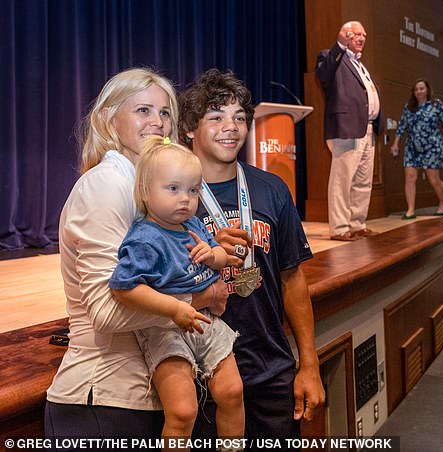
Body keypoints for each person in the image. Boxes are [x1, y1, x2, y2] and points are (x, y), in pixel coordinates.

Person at [45, 68, 229, 442]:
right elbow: (106, 311)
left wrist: (213, 258)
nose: (157, 123)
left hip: (141, 397)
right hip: (102, 400)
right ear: (108, 119)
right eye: (143, 111)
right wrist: (200, 297)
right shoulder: (106, 185)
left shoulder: (150, 191)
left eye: (165, 113)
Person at [178, 69, 325, 447]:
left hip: (270, 371)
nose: (231, 127)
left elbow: (293, 279)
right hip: (202, 377)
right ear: (190, 128)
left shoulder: (272, 189)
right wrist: (208, 246)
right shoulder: (171, 197)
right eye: (216, 117)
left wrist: (308, 364)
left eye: (239, 117)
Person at [109, 136, 244, 445]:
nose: (185, 199)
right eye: (173, 189)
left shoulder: (193, 225)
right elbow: (124, 289)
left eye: (193, 190)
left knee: (233, 391)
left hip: (204, 321)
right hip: (164, 328)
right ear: (145, 191)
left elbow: (221, 257)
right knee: (183, 411)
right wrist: (173, 308)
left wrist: (214, 257)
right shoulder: (144, 238)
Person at [316, 20, 381, 241]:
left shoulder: (361, 65)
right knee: (342, 180)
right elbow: (324, 75)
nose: (362, 38)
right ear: (345, 36)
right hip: (345, 128)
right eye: (356, 34)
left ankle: (357, 223)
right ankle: (340, 227)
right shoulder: (331, 57)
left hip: (367, 129)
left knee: (363, 181)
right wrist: (339, 46)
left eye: (364, 35)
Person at [390, 79, 443, 218]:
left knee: (434, 180)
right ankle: (410, 210)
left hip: (432, 146)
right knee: (410, 178)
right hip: (412, 147)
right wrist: (395, 143)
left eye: (421, 89)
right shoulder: (409, 107)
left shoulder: (436, 105)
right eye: (416, 89)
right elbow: (402, 126)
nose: (419, 91)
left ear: (427, 90)